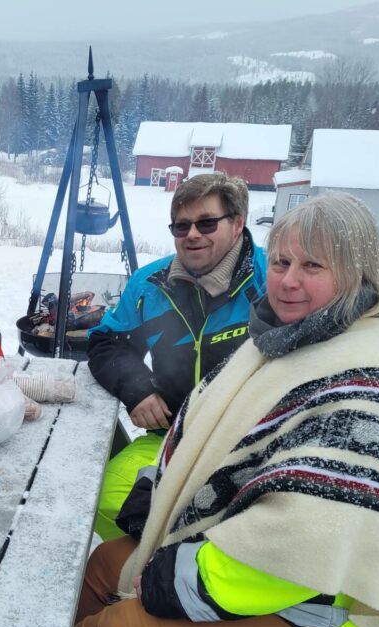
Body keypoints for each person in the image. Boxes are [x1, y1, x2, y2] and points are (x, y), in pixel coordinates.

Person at [58, 192, 379, 627]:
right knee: (103, 566)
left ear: (359, 274)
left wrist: (167, 577)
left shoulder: (369, 384)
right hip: (248, 561)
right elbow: (221, 443)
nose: (287, 280)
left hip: (322, 613)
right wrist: (159, 492)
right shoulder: (293, 339)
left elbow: (306, 545)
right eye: (283, 261)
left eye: (313, 265)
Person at [87, 172, 267, 541]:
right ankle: (146, 581)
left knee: (227, 532)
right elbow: (107, 342)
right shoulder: (150, 284)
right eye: (181, 226)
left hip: (249, 447)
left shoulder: (273, 279)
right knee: (104, 502)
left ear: (237, 224)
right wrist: (137, 389)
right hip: (170, 437)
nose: (192, 235)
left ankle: (180, 585)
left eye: (206, 222)